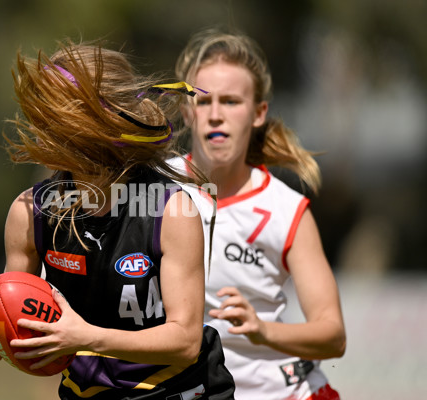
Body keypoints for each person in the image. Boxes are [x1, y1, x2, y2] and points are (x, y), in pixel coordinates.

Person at [0, 39, 235, 400]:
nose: (39, 127)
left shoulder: (171, 211)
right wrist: (2, 330)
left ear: (97, 119)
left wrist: (86, 337)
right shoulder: (29, 213)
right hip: (86, 392)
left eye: (53, 114)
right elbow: (19, 313)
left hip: (177, 390)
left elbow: (185, 341)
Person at [168, 29, 346, 400]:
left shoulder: (286, 209)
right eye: (203, 102)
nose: (216, 115)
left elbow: (333, 335)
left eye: (231, 101)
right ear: (187, 111)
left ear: (258, 113)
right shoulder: (154, 189)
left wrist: (261, 330)